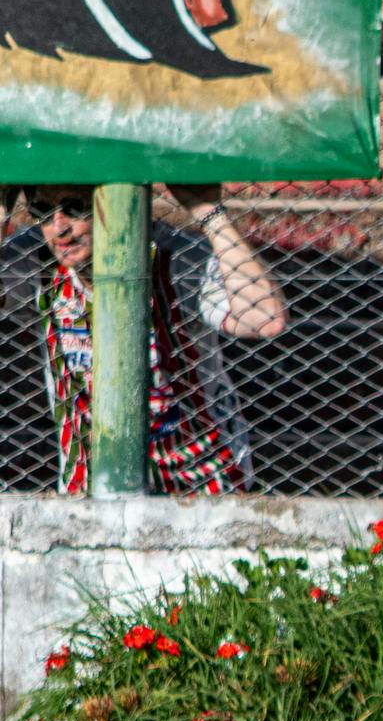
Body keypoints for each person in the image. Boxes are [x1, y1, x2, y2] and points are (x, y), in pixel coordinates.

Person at [1, 182, 288, 493]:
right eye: (42, 212)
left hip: (199, 476)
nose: (58, 229)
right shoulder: (37, 258)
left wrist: (211, 215)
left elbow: (265, 320)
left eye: (75, 208)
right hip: (91, 480)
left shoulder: (175, 256)